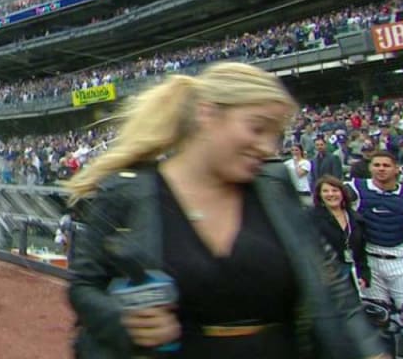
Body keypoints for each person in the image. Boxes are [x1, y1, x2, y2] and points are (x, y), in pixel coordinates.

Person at [65, 62, 384, 359]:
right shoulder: (125, 191)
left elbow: (332, 288)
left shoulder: (275, 185)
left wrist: (372, 353)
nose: (268, 147)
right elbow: (84, 286)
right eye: (257, 128)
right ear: (207, 114)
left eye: (276, 135)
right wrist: (125, 323)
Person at [347, 150, 403, 354]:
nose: (381, 169)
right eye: (376, 165)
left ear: (396, 169)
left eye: (386, 165)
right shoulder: (355, 190)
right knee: (375, 318)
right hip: (370, 261)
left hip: (402, 261)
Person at [311, 175, 370, 294]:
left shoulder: (356, 219)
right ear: (319, 195)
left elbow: (361, 252)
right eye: (325, 191)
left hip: (350, 274)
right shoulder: (311, 218)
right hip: (323, 277)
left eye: (335, 190)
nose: (331, 194)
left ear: (342, 193)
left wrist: (364, 276)